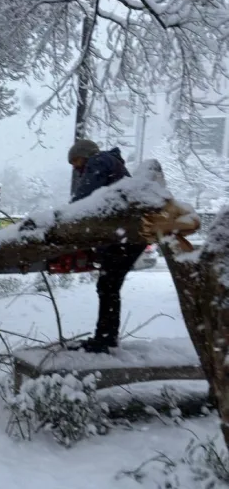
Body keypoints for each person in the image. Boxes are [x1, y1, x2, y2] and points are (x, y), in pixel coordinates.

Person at [65, 139, 146, 354]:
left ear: (86, 155)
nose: (75, 166)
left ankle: (105, 340)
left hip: (126, 237)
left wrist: (66, 218)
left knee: (108, 286)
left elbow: (84, 198)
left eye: (76, 160)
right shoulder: (113, 165)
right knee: (109, 286)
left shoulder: (100, 160)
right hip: (130, 235)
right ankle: (106, 337)